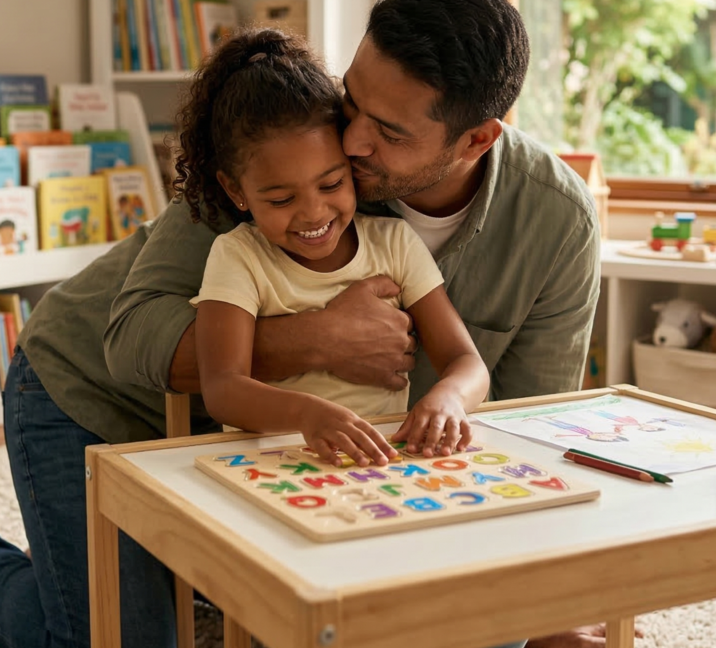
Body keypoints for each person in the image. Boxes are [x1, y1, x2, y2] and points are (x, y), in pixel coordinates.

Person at [0, 0, 610, 648]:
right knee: (111, 637)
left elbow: (526, 427)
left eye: (389, 131)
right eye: (353, 100)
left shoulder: (555, 223)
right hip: (90, 396)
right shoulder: (291, 158)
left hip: (266, 446)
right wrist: (315, 340)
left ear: (476, 140)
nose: (354, 141)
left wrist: (543, 610)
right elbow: (127, 339)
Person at [181, 29, 487, 464]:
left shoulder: (394, 244)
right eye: (281, 199)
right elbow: (223, 388)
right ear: (235, 192)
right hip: (268, 466)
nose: (313, 213)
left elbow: (466, 362)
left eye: (332, 183)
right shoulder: (239, 256)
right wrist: (306, 415)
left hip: (378, 466)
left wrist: (450, 399)